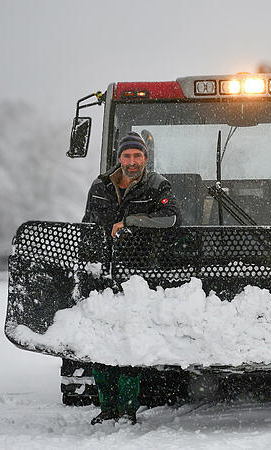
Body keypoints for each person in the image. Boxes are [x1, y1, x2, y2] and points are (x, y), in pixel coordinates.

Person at [82, 131, 180, 425]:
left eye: (137, 156)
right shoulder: (100, 187)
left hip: (140, 274)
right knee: (101, 341)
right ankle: (107, 408)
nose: (132, 161)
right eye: (127, 156)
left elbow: (171, 218)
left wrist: (129, 221)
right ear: (120, 158)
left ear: (146, 158)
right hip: (103, 273)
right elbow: (88, 224)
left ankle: (126, 408)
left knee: (130, 340)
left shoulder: (157, 185)